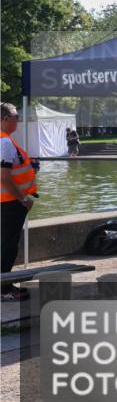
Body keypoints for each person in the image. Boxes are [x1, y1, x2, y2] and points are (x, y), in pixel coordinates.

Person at [1, 103, 38, 301]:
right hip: (10, 202)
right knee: (8, 245)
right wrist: (23, 199)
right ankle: (4, 288)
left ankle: (4, 284)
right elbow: (4, 177)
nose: (18, 120)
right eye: (16, 116)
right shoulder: (5, 142)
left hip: (6, 201)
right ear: (5, 119)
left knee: (5, 244)